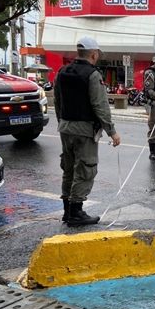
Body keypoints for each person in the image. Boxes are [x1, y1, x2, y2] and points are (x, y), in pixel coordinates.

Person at [53, 37, 121, 226]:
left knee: (68, 168)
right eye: (97, 53)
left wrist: (62, 122)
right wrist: (112, 131)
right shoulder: (92, 75)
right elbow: (100, 106)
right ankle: (76, 211)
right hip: (84, 131)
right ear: (93, 54)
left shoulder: (62, 71)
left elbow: (57, 101)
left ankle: (67, 211)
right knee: (85, 169)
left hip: (65, 128)